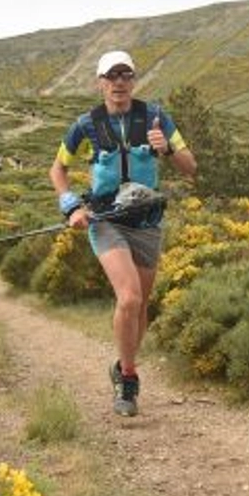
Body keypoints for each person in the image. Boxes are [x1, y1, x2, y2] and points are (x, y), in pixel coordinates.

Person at [48, 50, 196, 416]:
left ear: (133, 80)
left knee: (141, 305)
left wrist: (167, 152)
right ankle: (128, 380)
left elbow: (190, 167)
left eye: (125, 75)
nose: (119, 82)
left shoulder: (158, 118)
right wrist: (71, 206)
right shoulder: (84, 125)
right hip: (106, 219)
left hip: (146, 221)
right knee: (129, 299)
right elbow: (57, 170)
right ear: (100, 82)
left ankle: (122, 364)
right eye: (111, 76)